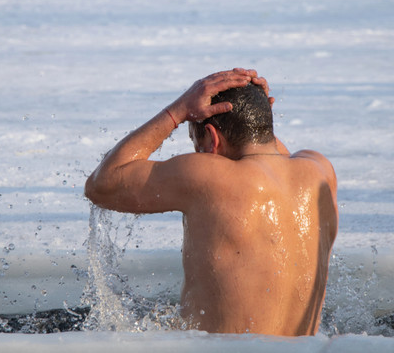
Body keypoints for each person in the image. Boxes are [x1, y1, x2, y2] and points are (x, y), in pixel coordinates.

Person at [84, 68, 338, 336]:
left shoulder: (209, 176)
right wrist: (256, 110)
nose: (203, 155)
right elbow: (269, 156)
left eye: (199, 145)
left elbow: (103, 185)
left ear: (212, 139)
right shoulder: (319, 170)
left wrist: (178, 110)